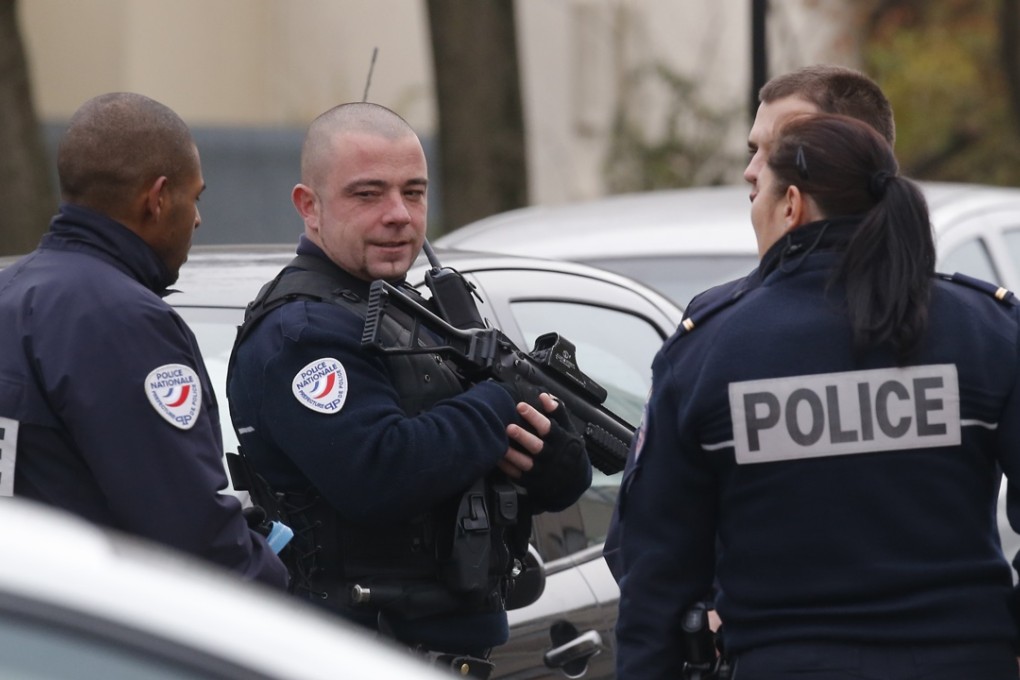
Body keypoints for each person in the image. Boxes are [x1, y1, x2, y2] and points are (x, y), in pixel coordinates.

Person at [612, 111, 1020, 679]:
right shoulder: (989, 331)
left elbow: (656, 574)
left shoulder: (711, 350)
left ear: (793, 204)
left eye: (760, 193)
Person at [226, 101, 591, 676]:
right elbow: (379, 473)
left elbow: (550, 477)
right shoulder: (303, 332)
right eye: (368, 194)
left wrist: (550, 457)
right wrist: (501, 401)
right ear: (309, 206)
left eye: (414, 192)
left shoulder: (414, 314)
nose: (398, 214)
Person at [604, 63, 898, 583]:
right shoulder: (711, 333)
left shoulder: (718, 338)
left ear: (853, 156)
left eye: (780, 149)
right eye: (753, 149)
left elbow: (643, 550)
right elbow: (640, 544)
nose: (752, 170)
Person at [0, 93, 288, 588]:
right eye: (194, 197)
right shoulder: (124, 321)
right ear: (156, 199)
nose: (197, 218)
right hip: (98, 633)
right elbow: (188, 527)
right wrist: (276, 592)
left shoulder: (11, 290)